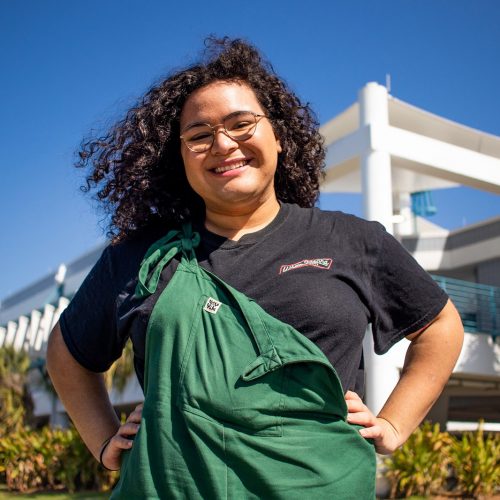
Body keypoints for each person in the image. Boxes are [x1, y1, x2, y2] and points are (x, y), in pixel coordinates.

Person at [47, 37, 464, 499]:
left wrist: (393, 424)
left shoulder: (351, 240)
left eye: (241, 124)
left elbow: (441, 327)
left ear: (279, 137)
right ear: (179, 158)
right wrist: (104, 439)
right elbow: (67, 354)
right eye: (199, 135)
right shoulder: (140, 256)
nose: (223, 144)